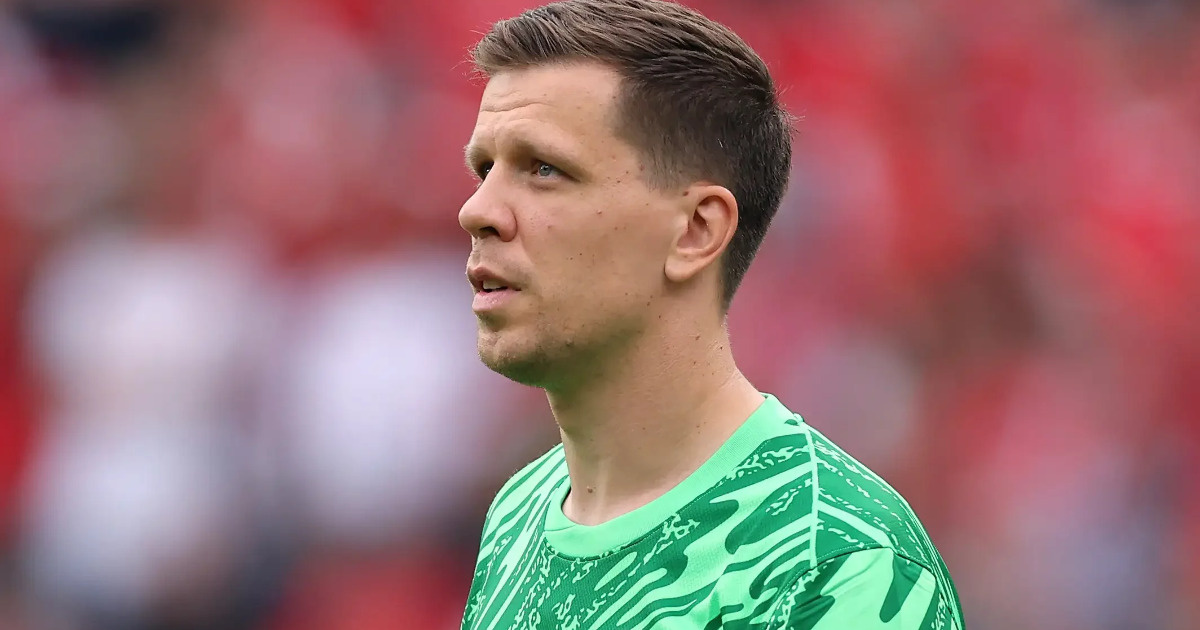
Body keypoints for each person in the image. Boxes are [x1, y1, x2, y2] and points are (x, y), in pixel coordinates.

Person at [456, 1, 965, 628]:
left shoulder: (835, 562)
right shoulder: (518, 513)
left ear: (696, 230)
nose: (477, 210)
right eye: (485, 169)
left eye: (544, 169)